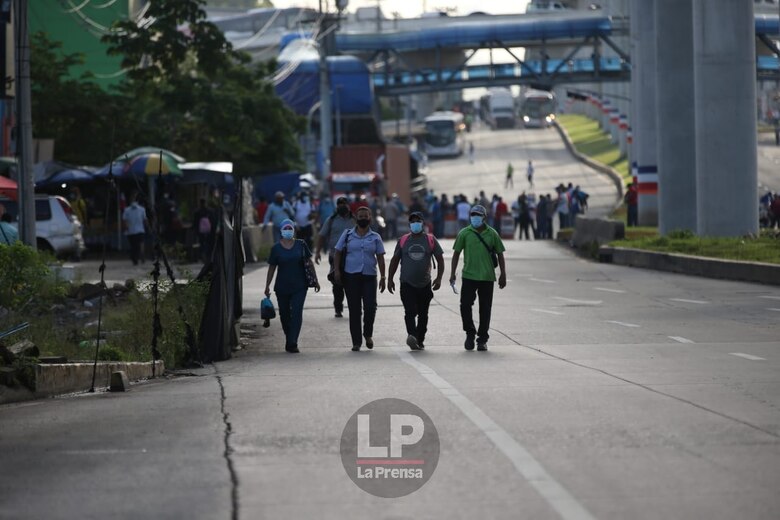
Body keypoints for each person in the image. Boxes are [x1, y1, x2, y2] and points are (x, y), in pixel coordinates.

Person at [449, 204, 507, 352]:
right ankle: (470, 333)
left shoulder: (492, 233)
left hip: (487, 277)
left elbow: (500, 253)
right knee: (465, 306)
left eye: (478, 215)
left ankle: (482, 339)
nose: (475, 217)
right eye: (473, 215)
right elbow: (456, 253)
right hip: (469, 275)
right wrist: (452, 273)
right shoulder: (464, 233)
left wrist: (503, 274)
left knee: (485, 309)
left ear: (484, 217)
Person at [387, 212, 445, 351]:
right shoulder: (403, 240)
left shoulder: (430, 240)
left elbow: (440, 259)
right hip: (407, 283)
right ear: (409, 224)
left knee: (423, 314)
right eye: (412, 221)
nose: (415, 223)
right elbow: (395, 261)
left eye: (418, 221)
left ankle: (420, 339)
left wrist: (439, 278)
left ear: (422, 223)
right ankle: (412, 335)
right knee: (410, 311)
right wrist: (389, 279)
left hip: (425, 284)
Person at [333, 206, 386, 352]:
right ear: (356, 218)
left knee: (370, 307)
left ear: (370, 218)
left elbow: (381, 258)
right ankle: (356, 342)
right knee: (354, 310)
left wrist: (383, 277)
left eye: (366, 216)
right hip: (351, 276)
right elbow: (338, 252)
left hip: (370, 276)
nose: (363, 219)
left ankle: (367, 334)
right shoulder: (347, 235)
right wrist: (337, 270)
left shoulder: (375, 237)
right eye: (360, 216)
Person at [264, 219, 320, 353]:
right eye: (286, 228)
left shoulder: (301, 245)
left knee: (296, 312)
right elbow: (272, 268)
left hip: (300, 286)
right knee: (284, 315)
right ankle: (289, 336)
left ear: (294, 230)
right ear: (281, 230)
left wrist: (316, 280)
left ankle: (292, 342)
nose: (288, 231)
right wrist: (267, 285)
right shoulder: (276, 248)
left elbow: (309, 262)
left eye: (290, 228)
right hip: (282, 287)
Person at [315, 196, 355, 318]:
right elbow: (322, 236)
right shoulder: (331, 220)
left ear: (349, 205)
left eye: (344, 203)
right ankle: (338, 308)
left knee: (353, 283)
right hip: (335, 256)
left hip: (352, 256)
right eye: (339, 204)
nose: (342, 206)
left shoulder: (355, 219)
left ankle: (355, 307)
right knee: (337, 283)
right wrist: (317, 252)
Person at [122, 194, 149, 265]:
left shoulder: (141, 209)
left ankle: (139, 256)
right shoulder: (127, 210)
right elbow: (125, 221)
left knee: (137, 245)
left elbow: (145, 219)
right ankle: (136, 257)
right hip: (133, 231)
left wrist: (147, 226)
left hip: (137, 230)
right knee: (135, 246)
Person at [193, 198, 214, 263]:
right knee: (207, 243)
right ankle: (207, 256)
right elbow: (212, 220)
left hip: (200, 230)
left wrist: (195, 230)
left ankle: (202, 256)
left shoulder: (197, 211)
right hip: (208, 230)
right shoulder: (209, 211)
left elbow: (195, 222)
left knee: (202, 243)